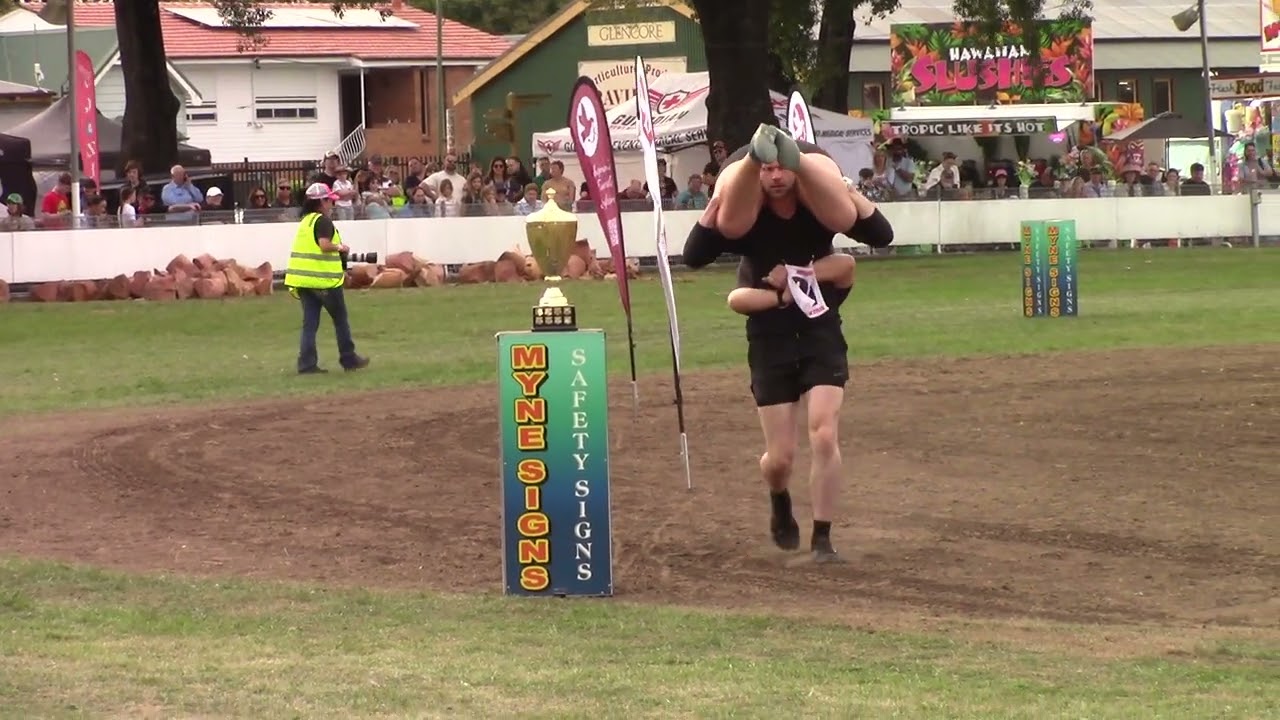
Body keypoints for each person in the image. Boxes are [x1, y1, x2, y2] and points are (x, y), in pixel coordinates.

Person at [683, 122, 894, 563]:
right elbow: (695, 257)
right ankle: (778, 497)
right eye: (768, 169)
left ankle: (822, 538)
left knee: (824, 433)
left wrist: (848, 190)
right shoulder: (748, 213)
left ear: (797, 169)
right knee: (780, 459)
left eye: (784, 168)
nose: (777, 176)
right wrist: (714, 204)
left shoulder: (817, 206)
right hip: (770, 337)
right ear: (757, 172)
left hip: (819, 329)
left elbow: (880, 235)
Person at [283, 182, 370, 375]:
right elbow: (324, 245)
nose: (332, 204)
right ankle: (348, 359)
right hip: (324, 281)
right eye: (329, 200)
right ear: (321, 202)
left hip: (303, 281)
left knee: (310, 324)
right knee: (340, 320)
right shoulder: (323, 221)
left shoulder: (306, 222)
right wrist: (340, 248)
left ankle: (306, 364)